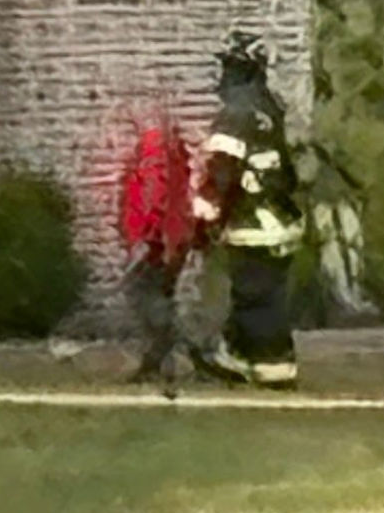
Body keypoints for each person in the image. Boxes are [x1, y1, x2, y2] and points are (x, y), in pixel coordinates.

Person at [196, 31, 308, 389]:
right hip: (281, 222)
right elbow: (289, 173)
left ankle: (271, 368)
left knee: (254, 298)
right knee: (262, 295)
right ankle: (242, 357)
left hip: (252, 226)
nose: (221, 78)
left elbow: (221, 177)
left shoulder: (234, 116)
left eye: (226, 68)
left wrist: (205, 219)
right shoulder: (269, 109)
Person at [114, 113, 201, 385]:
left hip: (154, 243)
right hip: (165, 241)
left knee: (144, 295)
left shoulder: (155, 156)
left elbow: (155, 200)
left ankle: (178, 349)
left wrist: (148, 236)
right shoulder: (169, 157)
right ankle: (162, 358)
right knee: (156, 295)